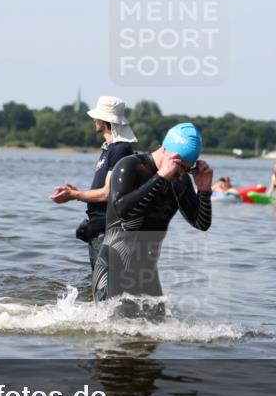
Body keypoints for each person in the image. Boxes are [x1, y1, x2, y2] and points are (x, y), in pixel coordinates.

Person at [93, 122, 213, 319]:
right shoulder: (129, 166)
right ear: (164, 149)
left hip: (147, 273)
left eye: (187, 169)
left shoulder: (180, 181)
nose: (181, 173)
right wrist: (160, 177)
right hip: (114, 268)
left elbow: (201, 223)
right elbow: (122, 210)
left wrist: (204, 191)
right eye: (178, 165)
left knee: (157, 333)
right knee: (118, 333)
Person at [49, 96, 136, 270]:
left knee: (106, 283)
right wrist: (79, 192)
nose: (94, 120)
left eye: (97, 117)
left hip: (109, 230)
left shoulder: (120, 149)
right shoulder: (110, 148)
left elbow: (107, 193)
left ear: (104, 120)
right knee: (102, 283)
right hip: (100, 227)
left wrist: (74, 195)